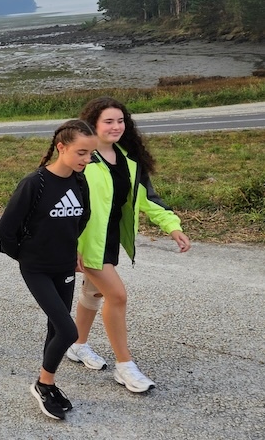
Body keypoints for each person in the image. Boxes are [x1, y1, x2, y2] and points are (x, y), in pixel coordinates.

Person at [68, 97, 191, 393]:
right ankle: (125, 366)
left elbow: (147, 198)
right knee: (117, 296)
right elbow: (61, 200)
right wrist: (69, 245)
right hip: (86, 241)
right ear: (93, 124)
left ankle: (77, 345)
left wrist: (172, 226)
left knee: (92, 293)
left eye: (120, 120)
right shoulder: (82, 157)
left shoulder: (127, 159)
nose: (116, 126)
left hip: (110, 238)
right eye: (108, 121)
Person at [0, 119, 97, 420]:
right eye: (81, 152)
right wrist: (26, 258)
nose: (86, 159)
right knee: (69, 330)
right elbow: (5, 230)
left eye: (90, 153)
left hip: (64, 265)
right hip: (37, 268)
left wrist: (71, 247)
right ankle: (43, 383)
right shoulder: (34, 183)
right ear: (61, 147)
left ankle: (48, 383)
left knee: (56, 328)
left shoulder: (80, 181)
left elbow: (82, 217)